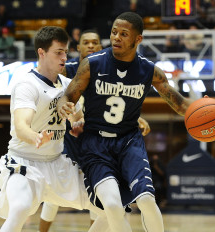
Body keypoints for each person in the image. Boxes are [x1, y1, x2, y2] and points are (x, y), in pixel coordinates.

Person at [57, 12, 215, 232]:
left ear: (138, 39)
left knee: (147, 200)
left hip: (129, 143)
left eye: (124, 34)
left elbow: (181, 105)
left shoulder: (149, 70)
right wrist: (64, 104)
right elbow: (68, 95)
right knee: (112, 206)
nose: (117, 37)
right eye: (114, 32)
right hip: (96, 143)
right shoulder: (92, 64)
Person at [0, 26, 108, 232]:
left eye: (65, 51)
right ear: (42, 52)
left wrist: (78, 125)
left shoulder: (67, 84)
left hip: (57, 164)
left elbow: (78, 118)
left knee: (112, 204)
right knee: (20, 208)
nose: (64, 56)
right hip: (24, 162)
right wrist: (35, 137)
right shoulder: (26, 84)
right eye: (58, 52)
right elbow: (21, 126)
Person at [39, 29, 151, 232]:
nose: (91, 46)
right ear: (78, 47)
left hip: (97, 141)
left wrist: (135, 118)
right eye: (86, 42)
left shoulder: (106, 68)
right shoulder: (68, 69)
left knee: (99, 199)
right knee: (53, 198)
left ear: (101, 47)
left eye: (95, 42)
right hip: (70, 140)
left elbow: (117, 103)